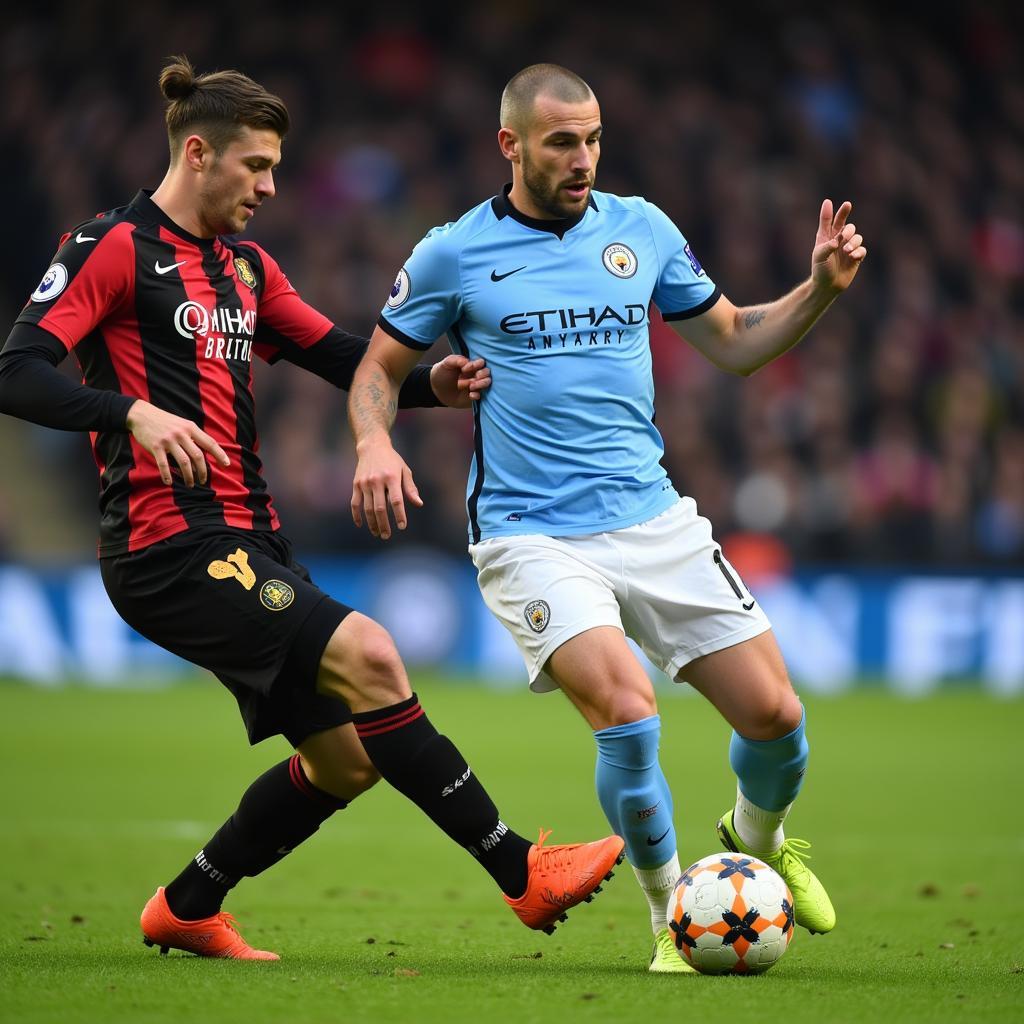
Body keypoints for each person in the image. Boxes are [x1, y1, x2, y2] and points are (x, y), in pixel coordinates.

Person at [0, 56, 624, 961]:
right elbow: (15, 373)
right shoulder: (111, 248)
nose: (270, 186)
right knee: (372, 652)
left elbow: (340, 353)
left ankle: (186, 904)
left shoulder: (247, 270)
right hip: (166, 544)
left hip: (250, 537)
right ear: (199, 153)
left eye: (276, 168)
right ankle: (522, 870)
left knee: (347, 759)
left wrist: (428, 387)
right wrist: (129, 411)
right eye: (255, 167)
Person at [348, 63, 866, 974]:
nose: (583, 157)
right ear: (510, 145)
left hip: (654, 520)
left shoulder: (643, 228)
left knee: (779, 721)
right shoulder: (452, 253)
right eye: (561, 142)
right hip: (530, 533)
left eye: (592, 139)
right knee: (628, 714)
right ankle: (673, 915)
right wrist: (374, 446)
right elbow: (377, 371)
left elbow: (737, 341)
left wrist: (819, 286)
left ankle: (758, 837)